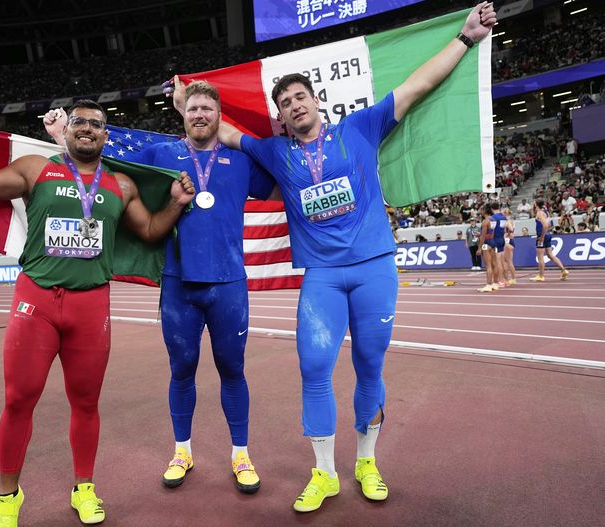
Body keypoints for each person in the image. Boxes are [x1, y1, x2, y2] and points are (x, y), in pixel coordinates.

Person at [170, 1, 495, 511]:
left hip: (373, 269)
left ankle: (367, 461)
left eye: (301, 97)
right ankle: (323, 474)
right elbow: (218, 131)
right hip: (321, 276)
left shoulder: (360, 128)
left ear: (316, 100)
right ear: (280, 116)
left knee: (369, 365)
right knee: (314, 366)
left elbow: (416, 87)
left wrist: (467, 37)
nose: (295, 105)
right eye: (286, 103)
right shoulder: (274, 152)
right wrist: (184, 103)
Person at [0, 100, 195, 527]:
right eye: (80, 122)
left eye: (97, 124)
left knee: (86, 402)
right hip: (35, 302)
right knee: (19, 400)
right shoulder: (36, 169)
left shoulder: (122, 185)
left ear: (105, 136)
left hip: (91, 307)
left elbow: (149, 230)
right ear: (69, 130)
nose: (88, 129)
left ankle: (84, 488)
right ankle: (8, 497)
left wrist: (176, 203)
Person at [45, 81, 277, 494]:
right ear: (182, 115)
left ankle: (240, 453)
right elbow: (102, 161)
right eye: (193, 109)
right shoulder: (160, 155)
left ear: (218, 115)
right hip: (177, 285)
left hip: (228, 284)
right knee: (181, 369)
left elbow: (281, 181)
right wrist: (60, 136)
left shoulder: (241, 161)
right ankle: (182, 451)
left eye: (207, 108)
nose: (200, 115)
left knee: (233, 370)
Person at [530, 198, 569, 282]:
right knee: (550, 255)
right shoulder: (546, 211)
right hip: (548, 234)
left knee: (540, 257)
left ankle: (541, 276)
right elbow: (550, 224)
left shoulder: (540, 213)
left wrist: (542, 237)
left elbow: (545, 225)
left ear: (536, 204)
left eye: (533, 203)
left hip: (542, 235)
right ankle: (563, 270)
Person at [477, 203, 505, 293]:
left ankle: (488, 285)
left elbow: (483, 236)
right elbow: (491, 233)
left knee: (488, 266)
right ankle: (495, 283)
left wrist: (479, 248)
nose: (480, 211)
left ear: (485, 211)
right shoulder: (493, 220)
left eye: (481, 210)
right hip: (493, 242)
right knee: (494, 264)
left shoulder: (485, 221)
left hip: (486, 243)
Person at [502, 207, 517, 285]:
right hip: (510, 241)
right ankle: (509, 278)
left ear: (505, 214)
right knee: (507, 261)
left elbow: (511, 230)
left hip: (507, 241)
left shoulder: (508, 221)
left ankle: (511, 279)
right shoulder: (511, 220)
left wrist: (505, 235)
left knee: (507, 262)